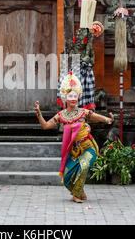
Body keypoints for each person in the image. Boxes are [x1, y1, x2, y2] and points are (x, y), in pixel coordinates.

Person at [35, 72, 114, 203]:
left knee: (83, 167)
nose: (73, 98)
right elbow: (45, 126)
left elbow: (96, 116)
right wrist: (38, 112)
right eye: (70, 96)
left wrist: (107, 120)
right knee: (66, 178)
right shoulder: (61, 115)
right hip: (74, 151)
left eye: (75, 96)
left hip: (89, 147)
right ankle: (80, 192)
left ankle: (76, 195)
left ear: (78, 98)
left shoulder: (83, 112)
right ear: (65, 98)